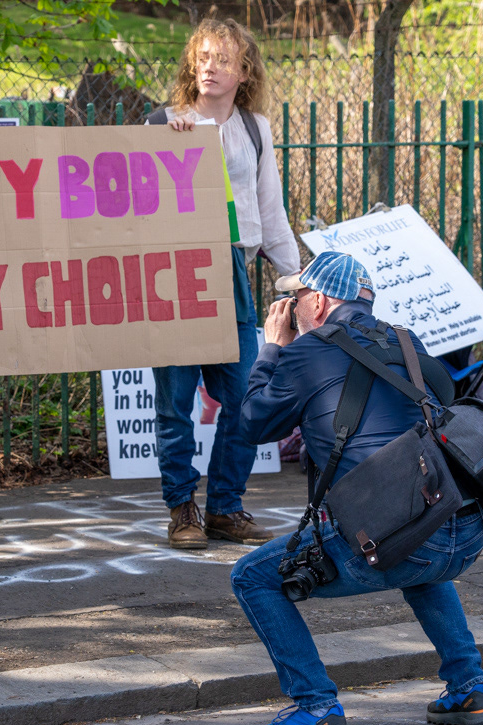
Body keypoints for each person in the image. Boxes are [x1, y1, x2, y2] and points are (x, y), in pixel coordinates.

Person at [230, 251, 483, 725]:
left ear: (319, 301)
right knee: (417, 543)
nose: (292, 305)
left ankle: (316, 709)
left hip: (388, 537)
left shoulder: (305, 353)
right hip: (463, 527)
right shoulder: (408, 342)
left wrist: (271, 349)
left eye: (297, 296)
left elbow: (252, 425)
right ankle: (469, 689)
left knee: (252, 576)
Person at [147, 18, 302, 550]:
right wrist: (167, 144)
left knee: (244, 397)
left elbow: (270, 210)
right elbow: (137, 207)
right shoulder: (162, 122)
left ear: (244, 71)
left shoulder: (255, 128)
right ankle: (181, 510)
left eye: (223, 59)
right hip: (173, 271)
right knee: (175, 403)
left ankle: (224, 507)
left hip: (231, 269)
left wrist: (295, 279)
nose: (210, 67)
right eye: (203, 57)